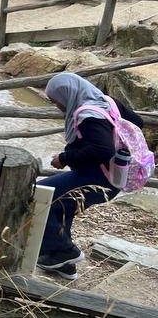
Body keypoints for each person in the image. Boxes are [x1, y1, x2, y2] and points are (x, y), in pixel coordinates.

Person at [36, 73, 143, 280]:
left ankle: (67, 252)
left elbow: (102, 151)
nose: (56, 104)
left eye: (54, 99)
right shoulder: (107, 102)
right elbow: (137, 122)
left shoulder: (88, 116)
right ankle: (62, 264)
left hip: (98, 179)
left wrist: (65, 158)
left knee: (39, 195)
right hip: (113, 178)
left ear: (67, 93)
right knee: (62, 207)